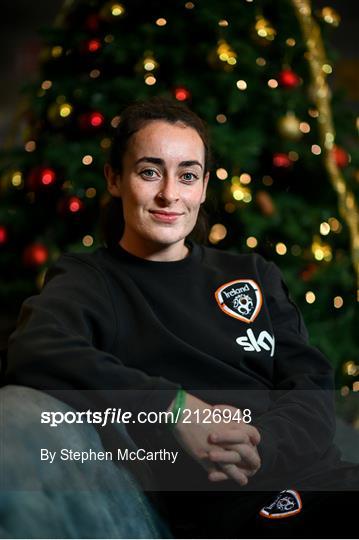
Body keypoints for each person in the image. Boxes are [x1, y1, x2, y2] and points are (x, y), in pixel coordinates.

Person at [5, 97, 359, 538]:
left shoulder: (251, 273)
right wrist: (174, 408)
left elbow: (310, 384)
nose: (170, 194)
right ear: (115, 179)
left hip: (323, 478)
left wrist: (260, 447)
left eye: (187, 175)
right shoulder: (91, 280)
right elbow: (35, 349)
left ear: (205, 186)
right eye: (149, 172)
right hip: (234, 511)